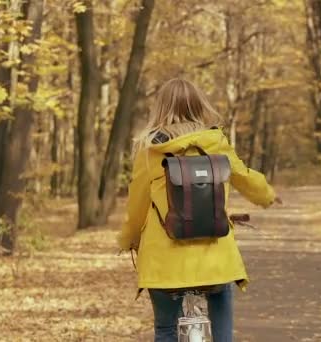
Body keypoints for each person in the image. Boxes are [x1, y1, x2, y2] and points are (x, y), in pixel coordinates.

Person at [118, 78, 279, 342]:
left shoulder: (150, 149)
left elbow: (137, 204)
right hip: (214, 259)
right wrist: (268, 195)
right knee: (222, 326)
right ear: (198, 105)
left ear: (160, 108)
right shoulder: (216, 141)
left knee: (166, 329)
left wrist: (130, 238)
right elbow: (245, 177)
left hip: (164, 262)